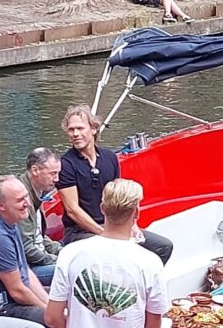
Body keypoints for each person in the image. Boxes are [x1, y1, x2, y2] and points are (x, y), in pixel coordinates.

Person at [45, 179, 170, 328]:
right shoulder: (150, 262)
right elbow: (153, 327)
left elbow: (53, 317)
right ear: (136, 213)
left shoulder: (71, 253)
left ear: (102, 208)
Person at [56, 105, 173, 265]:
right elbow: (72, 210)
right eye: (71, 130)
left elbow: (119, 198)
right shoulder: (66, 165)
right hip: (80, 231)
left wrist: (132, 226)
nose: (75, 134)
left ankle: (144, 281)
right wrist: (105, 234)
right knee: (124, 253)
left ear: (94, 129)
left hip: (113, 225)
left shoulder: (109, 157)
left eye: (80, 128)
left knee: (163, 246)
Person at [0, 174, 50, 326]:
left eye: (26, 197)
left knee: (66, 298)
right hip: (4, 306)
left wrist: (49, 305)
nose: (27, 203)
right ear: (1, 206)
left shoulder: (12, 222)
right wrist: (50, 313)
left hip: (20, 293)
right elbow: (17, 291)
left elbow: (25, 271)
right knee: (51, 318)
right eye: (20, 200)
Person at [20, 147, 62, 286]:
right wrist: (56, 259)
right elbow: (27, 250)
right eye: (53, 174)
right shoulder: (22, 200)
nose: (57, 179)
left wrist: (61, 250)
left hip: (40, 258)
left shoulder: (36, 193)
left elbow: (39, 236)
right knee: (73, 269)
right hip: (28, 269)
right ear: (35, 170)